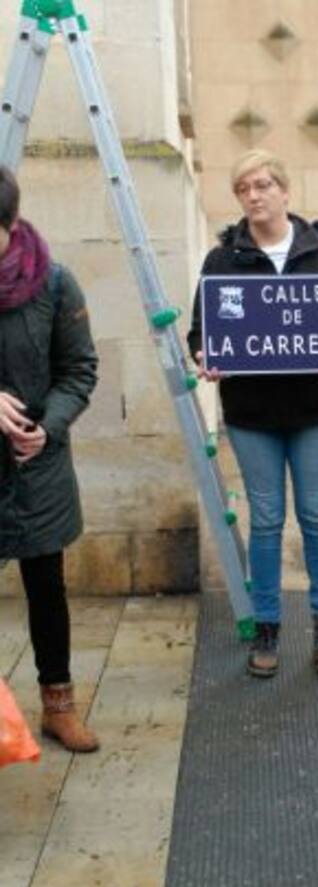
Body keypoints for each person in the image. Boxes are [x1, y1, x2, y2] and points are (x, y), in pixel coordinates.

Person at [188, 149, 318, 679]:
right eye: (244, 187)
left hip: (315, 409)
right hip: (251, 415)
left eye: (264, 184)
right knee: (266, 521)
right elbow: (201, 331)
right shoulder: (222, 261)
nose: (255, 194)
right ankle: (266, 624)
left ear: (285, 191)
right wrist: (206, 356)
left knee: (316, 516)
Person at [0, 165, 99, 753]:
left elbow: (79, 370)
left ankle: (58, 705)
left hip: (37, 467)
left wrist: (48, 425)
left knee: (47, 588)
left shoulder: (56, 285)